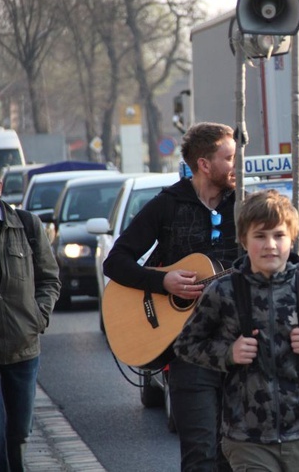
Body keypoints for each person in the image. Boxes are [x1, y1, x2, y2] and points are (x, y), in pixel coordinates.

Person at [174, 189, 299, 471]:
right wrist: (228, 353)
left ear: (292, 238)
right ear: (243, 240)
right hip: (247, 436)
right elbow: (186, 345)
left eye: (279, 235)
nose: (270, 244)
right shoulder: (223, 292)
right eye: (260, 236)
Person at [103, 122, 238, 471]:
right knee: (199, 455)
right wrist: (164, 284)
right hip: (186, 352)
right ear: (205, 164)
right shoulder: (167, 205)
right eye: (229, 158)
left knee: (233, 455)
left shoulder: (244, 206)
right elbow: (115, 262)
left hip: (238, 347)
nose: (235, 166)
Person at [0, 154, 61, 472]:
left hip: (23, 346)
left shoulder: (27, 225)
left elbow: (49, 278)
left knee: (18, 432)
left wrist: (38, 317)